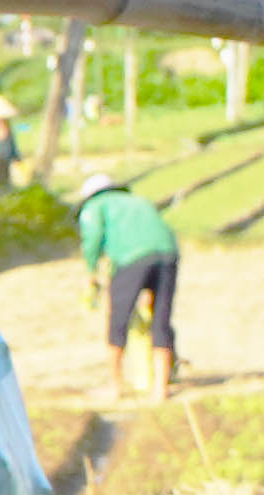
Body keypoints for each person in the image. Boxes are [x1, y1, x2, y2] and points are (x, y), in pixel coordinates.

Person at [79, 169, 185, 398]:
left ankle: (115, 386)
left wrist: (90, 271)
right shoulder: (138, 201)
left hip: (130, 259)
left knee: (118, 319)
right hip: (168, 254)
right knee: (161, 319)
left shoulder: (95, 206)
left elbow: (92, 238)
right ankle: (161, 387)